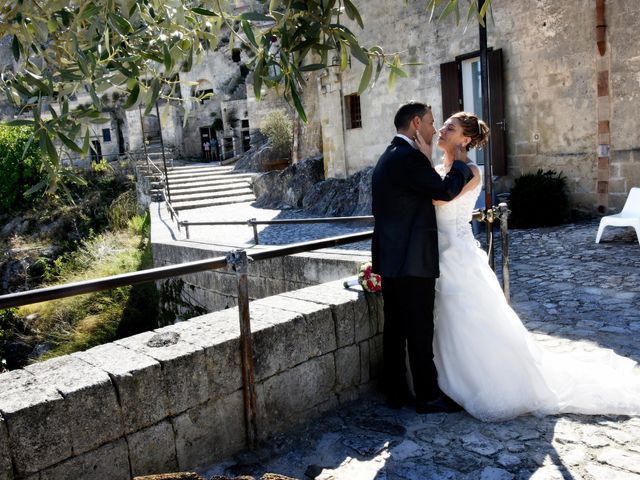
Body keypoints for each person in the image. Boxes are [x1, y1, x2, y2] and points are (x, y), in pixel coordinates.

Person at [415, 111, 640, 421]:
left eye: (449, 128)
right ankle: (438, 379)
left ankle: (484, 383)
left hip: (459, 256)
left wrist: (423, 156)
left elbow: (439, 200)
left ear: (465, 139)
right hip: (437, 254)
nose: (441, 129)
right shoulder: (442, 168)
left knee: (468, 317)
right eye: (442, 125)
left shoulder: (469, 170)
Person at [371, 102, 474, 414]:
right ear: (416, 123)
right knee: (419, 330)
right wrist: (461, 166)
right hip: (412, 261)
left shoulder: (391, 154)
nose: (434, 128)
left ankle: (396, 391)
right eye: (430, 122)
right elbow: (443, 190)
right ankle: (428, 396)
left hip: (392, 259)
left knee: (396, 328)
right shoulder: (409, 157)